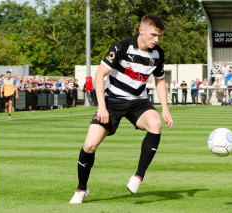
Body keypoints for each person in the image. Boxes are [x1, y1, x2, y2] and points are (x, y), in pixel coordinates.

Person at [69, 14, 173, 204]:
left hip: (138, 102)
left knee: (155, 124)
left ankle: (138, 177)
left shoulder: (158, 54)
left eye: (159, 36)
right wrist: (102, 107)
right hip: (112, 102)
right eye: (153, 35)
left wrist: (165, 109)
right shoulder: (122, 47)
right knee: (90, 145)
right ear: (141, 30)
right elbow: (99, 74)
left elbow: (159, 81)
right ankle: (81, 189)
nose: (156, 40)